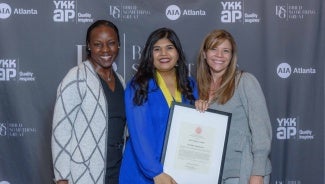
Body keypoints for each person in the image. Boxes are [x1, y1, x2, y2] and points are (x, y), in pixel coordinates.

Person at [51, 20, 127, 184]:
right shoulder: (77, 77)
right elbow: (61, 129)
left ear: (119, 45)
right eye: (98, 44)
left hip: (117, 171)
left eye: (111, 43)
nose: (105, 49)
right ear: (89, 46)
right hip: (84, 173)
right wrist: (62, 177)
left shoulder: (120, 81)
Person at [119, 27, 198, 184]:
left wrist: (202, 108)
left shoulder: (190, 84)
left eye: (169, 48)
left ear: (178, 53)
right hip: (143, 173)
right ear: (150, 55)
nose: (163, 54)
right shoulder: (138, 86)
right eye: (157, 49)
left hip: (179, 172)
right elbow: (139, 134)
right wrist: (156, 172)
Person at [195, 29, 272, 184]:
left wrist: (257, 174)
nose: (219, 55)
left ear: (231, 56)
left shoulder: (244, 81)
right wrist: (198, 110)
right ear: (204, 54)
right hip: (213, 173)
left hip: (243, 172)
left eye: (226, 51)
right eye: (213, 49)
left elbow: (261, 131)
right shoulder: (201, 88)